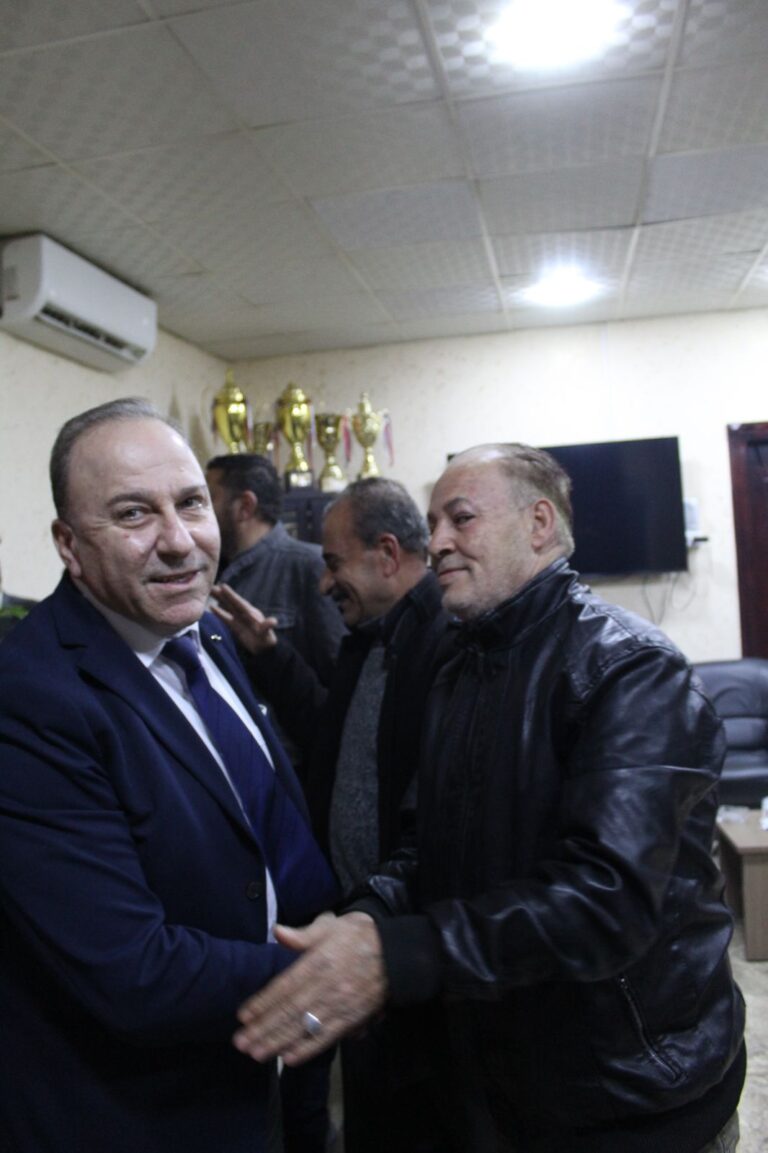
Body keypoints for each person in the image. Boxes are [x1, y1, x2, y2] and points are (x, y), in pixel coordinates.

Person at [232, 443, 747, 1153]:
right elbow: (427, 842)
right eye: (432, 523)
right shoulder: (460, 666)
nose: (438, 541)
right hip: (509, 1078)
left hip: (630, 1093)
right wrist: (367, 919)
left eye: (461, 518)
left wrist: (399, 955)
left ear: (539, 524)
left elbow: (608, 901)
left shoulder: (630, 669)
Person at [0, 398, 338, 1153]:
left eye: (191, 503)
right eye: (133, 514)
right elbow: (131, 970)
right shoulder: (30, 698)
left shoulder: (202, 628)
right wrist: (334, 968)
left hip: (272, 1070)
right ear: (69, 544)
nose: (180, 541)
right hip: (149, 1110)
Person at [214, 477, 453, 1153]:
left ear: (387, 554)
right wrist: (269, 654)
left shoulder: (446, 646)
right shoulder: (369, 639)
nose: (323, 584)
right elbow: (330, 738)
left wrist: (382, 919)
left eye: (334, 563)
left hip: (405, 939)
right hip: (358, 921)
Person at [206, 453, 346, 688]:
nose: (199, 511)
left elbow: (338, 678)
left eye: (209, 499)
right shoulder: (210, 568)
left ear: (245, 506)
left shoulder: (310, 566)